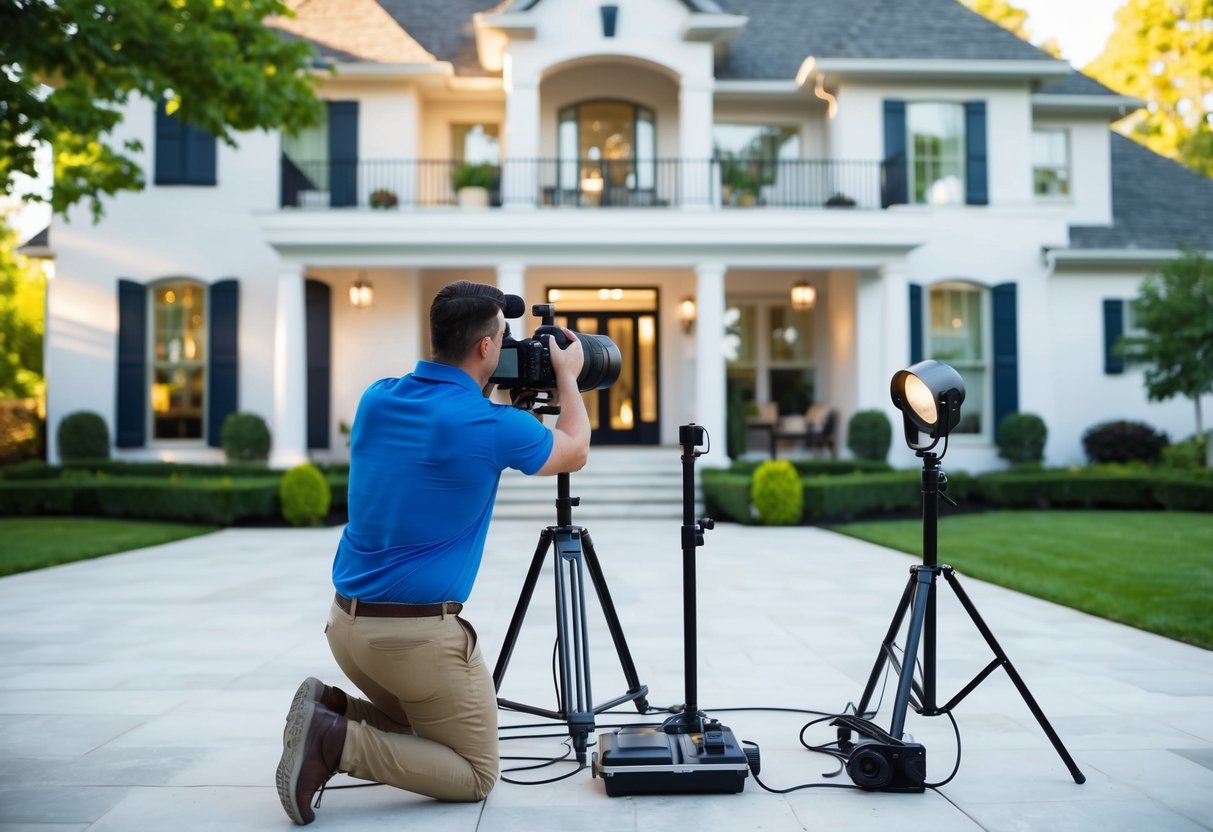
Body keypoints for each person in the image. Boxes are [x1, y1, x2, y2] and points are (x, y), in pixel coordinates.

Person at [276, 280, 589, 825]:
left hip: (348, 630)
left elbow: (448, 424)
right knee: (474, 772)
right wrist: (567, 376)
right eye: (503, 337)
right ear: (487, 348)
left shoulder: (378, 397)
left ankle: (332, 707)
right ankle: (333, 739)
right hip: (415, 641)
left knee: (427, 732)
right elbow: (575, 449)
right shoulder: (495, 427)